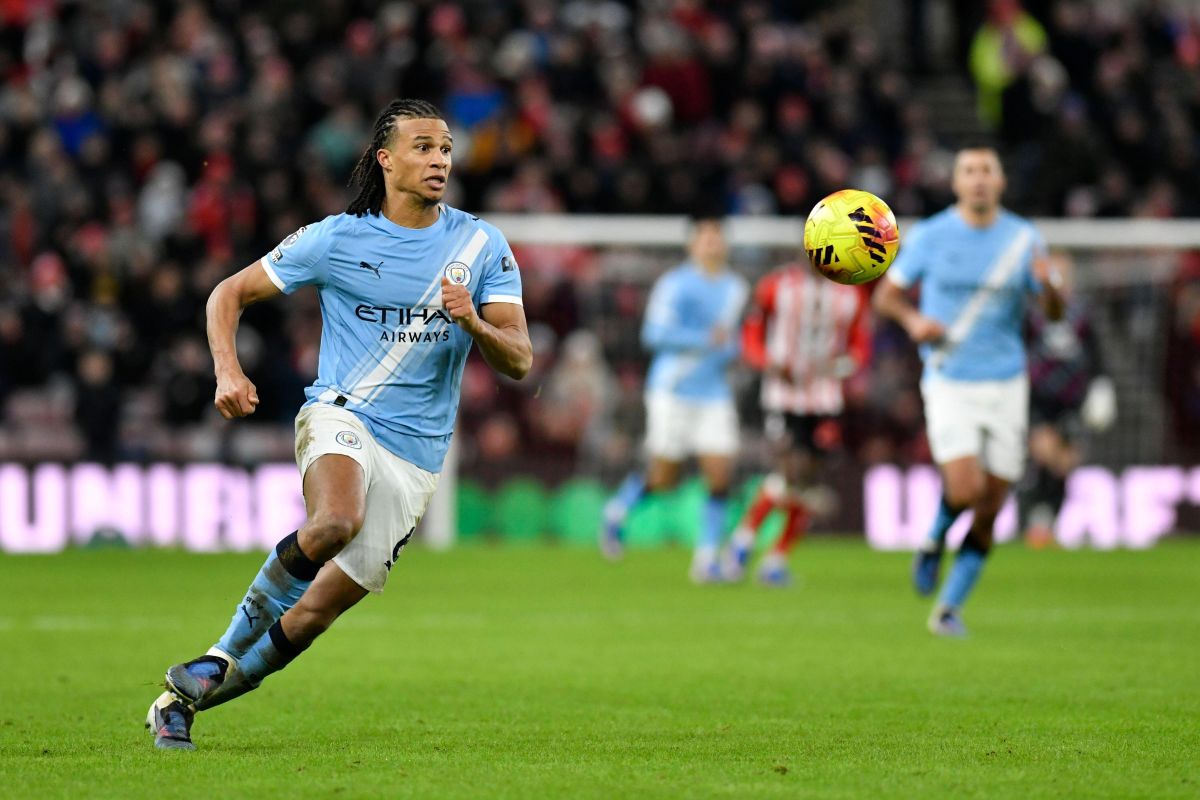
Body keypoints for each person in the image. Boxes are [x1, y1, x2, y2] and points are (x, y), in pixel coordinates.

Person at [146, 99, 532, 750]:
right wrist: (227, 371)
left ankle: (182, 696)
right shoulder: (336, 239)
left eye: (444, 149)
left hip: (417, 458)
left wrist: (473, 323)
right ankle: (219, 657)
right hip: (342, 414)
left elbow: (519, 359)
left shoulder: (480, 244)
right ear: (386, 160)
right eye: (422, 147)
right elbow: (227, 293)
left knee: (315, 614)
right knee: (334, 520)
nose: (439, 160)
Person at [873, 144, 1064, 637]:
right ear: (955, 183)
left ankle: (948, 609)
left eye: (987, 171)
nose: (978, 179)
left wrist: (1054, 290)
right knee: (965, 488)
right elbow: (886, 296)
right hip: (949, 376)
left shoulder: (1024, 240)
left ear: (1000, 182)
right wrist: (914, 320)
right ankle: (935, 538)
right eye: (969, 172)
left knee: (992, 504)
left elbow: (1055, 313)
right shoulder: (932, 236)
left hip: (1006, 381)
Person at [599, 216, 748, 582]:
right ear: (692, 244)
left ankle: (707, 560)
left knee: (720, 475)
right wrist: (702, 340)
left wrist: (736, 348)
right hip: (673, 389)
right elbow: (654, 334)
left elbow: (736, 338)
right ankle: (618, 511)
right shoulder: (674, 284)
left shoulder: (737, 288)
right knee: (666, 477)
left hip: (713, 390)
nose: (712, 243)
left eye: (717, 237)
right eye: (705, 237)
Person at [723, 262, 870, 586]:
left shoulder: (850, 295)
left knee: (808, 482)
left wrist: (843, 365)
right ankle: (743, 543)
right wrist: (767, 363)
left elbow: (859, 346)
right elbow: (751, 331)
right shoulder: (776, 287)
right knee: (791, 471)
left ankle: (772, 559)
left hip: (825, 397)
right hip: (784, 396)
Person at [1019, 254, 1116, 547]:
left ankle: (1047, 519)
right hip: (1039, 398)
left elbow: (1096, 352)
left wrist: (1102, 385)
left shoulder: (1083, 314)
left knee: (1065, 464)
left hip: (1074, 399)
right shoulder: (1030, 314)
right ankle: (1034, 517)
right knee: (1044, 451)